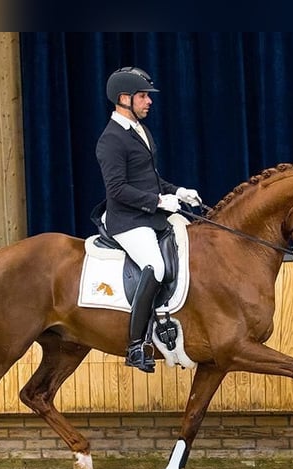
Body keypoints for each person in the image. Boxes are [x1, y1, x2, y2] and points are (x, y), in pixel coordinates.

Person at [95, 66, 201, 373]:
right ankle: (135, 346)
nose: (148, 101)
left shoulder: (139, 130)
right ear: (123, 98)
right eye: (142, 96)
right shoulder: (111, 140)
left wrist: (177, 191)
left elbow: (148, 178)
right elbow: (117, 190)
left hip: (151, 215)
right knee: (155, 268)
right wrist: (157, 201)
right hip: (127, 221)